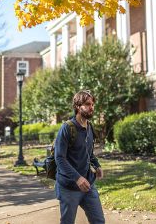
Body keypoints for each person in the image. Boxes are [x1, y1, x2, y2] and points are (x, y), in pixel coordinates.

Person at [54, 90, 105, 224]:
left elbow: (88, 152)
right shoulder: (67, 128)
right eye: (87, 104)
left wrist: (97, 165)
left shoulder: (89, 127)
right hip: (69, 187)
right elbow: (59, 158)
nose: (91, 107)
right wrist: (77, 178)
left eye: (92, 104)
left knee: (99, 221)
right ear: (77, 106)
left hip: (88, 185)